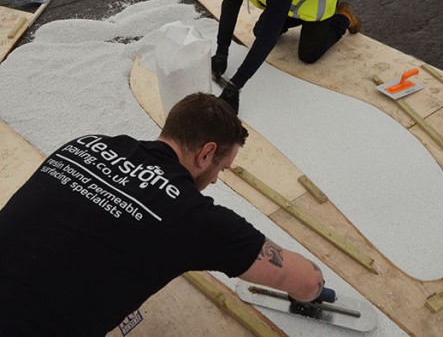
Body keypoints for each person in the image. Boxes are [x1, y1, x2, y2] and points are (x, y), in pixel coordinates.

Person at [0, 93, 324, 337]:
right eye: (220, 169)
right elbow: (305, 280)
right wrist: (312, 294)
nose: (214, 180)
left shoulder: (84, 145)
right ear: (206, 152)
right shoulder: (192, 219)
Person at [208, 0, 361, 114]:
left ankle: (342, 17)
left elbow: (267, 39)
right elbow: (230, 8)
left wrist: (236, 84)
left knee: (308, 54)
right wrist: (221, 53)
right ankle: (300, 18)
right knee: (259, 30)